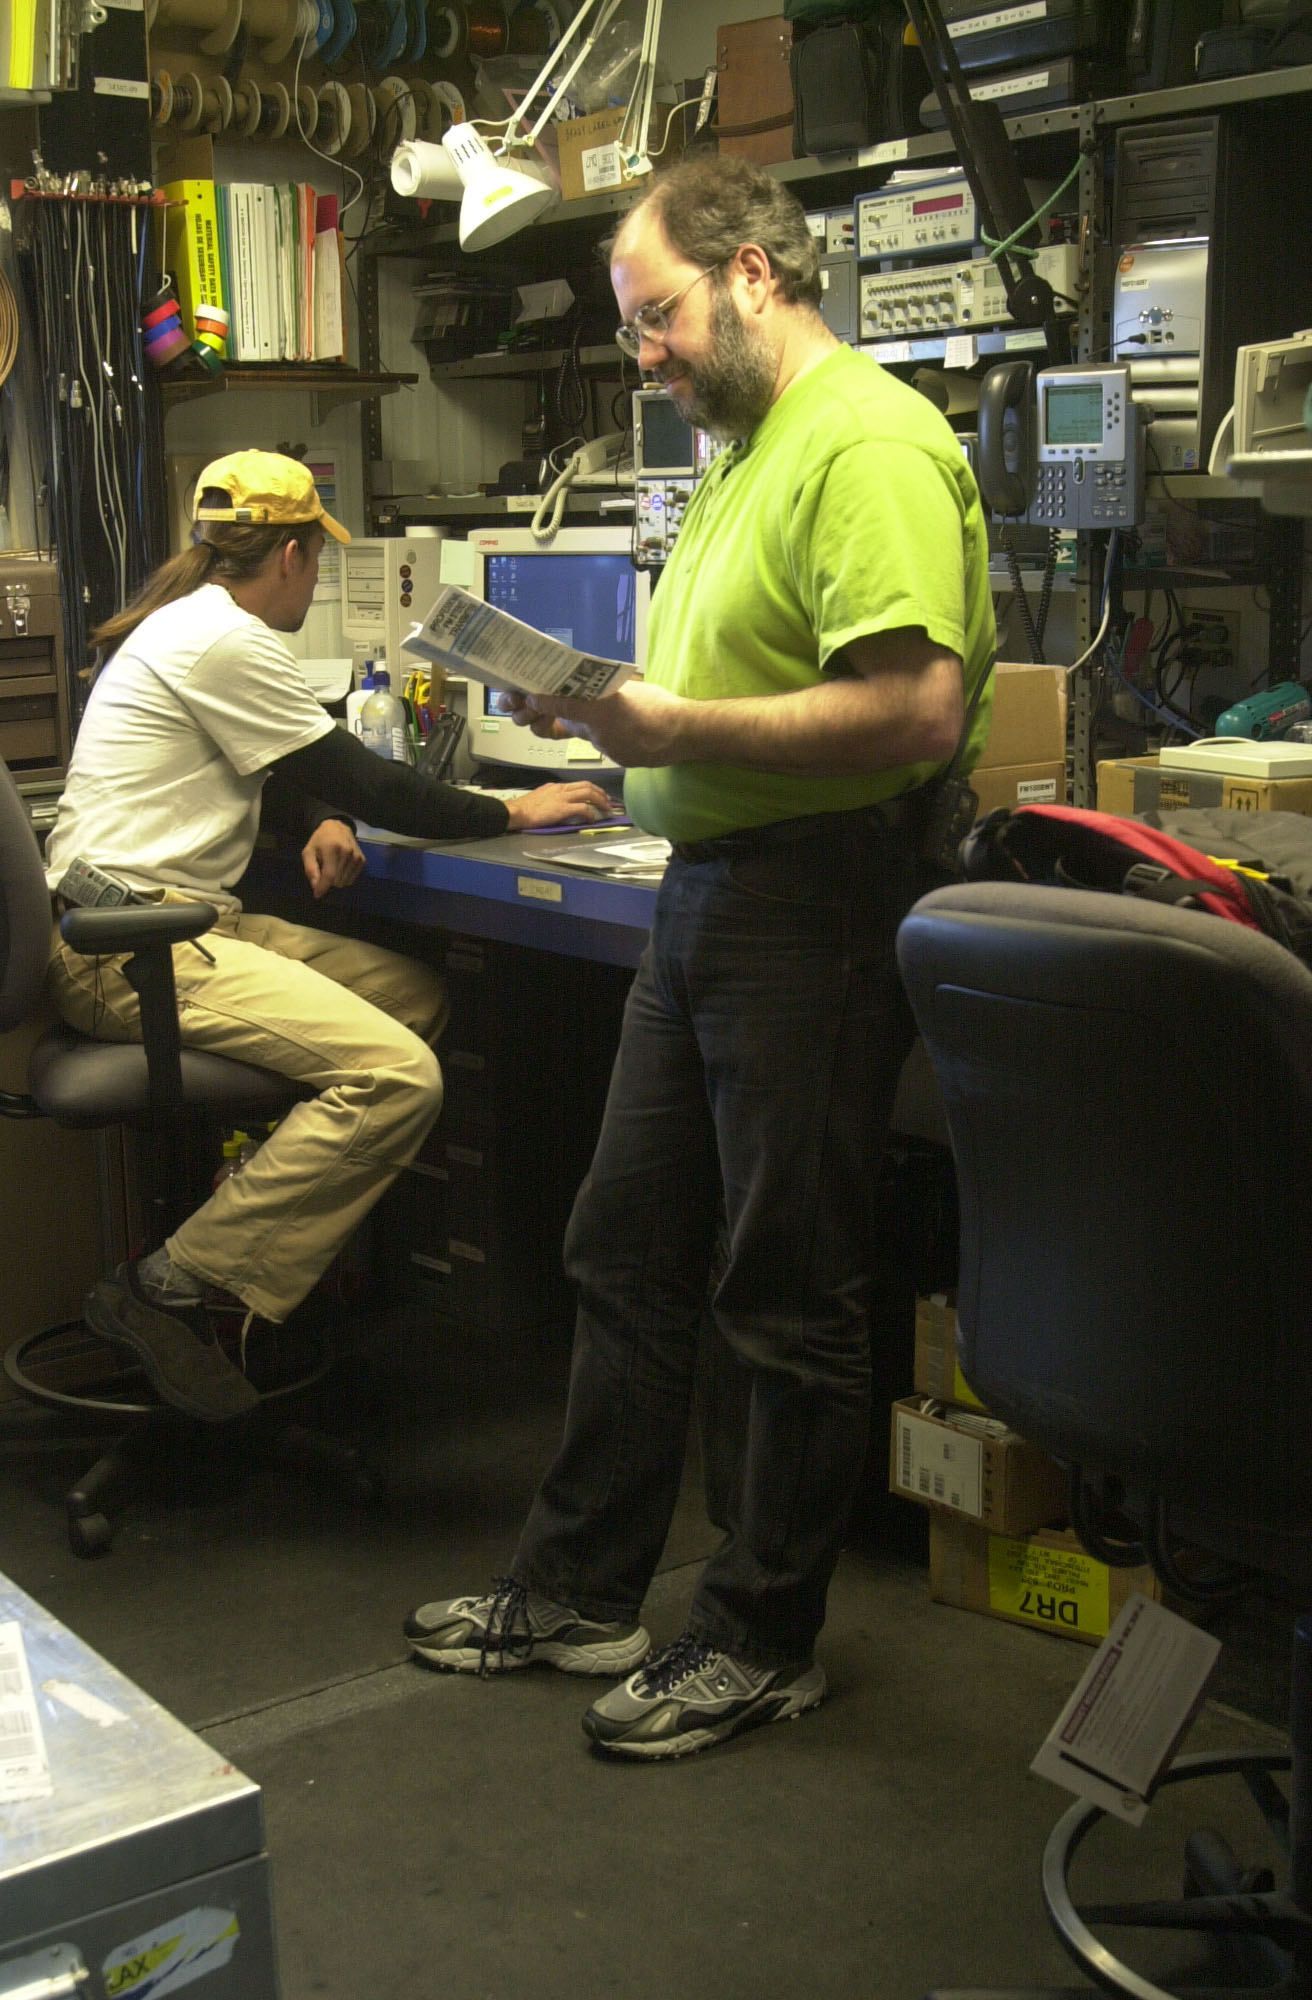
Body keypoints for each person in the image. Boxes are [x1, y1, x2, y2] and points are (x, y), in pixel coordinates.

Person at [404, 153, 996, 1760]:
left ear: (753, 273)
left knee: (785, 1283)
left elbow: (916, 710)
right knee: (627, 1243)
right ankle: (590, 1585)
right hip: (714, 887)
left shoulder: (864, 440)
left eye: (656, 315)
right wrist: (613, 725)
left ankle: (760, 1633)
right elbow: (734, 683)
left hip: (813, 897)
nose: (642, 353)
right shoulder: (746, 448)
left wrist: (673, 727)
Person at [45, 449, 611, 1424]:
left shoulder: (193, 625)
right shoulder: (228, 641)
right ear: (298, 555)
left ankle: (250, 1203)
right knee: (397, 1077)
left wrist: (314, 814)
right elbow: (378, 783)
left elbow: (291, 764)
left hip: (161, 920)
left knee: (415, 997)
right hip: (137, 943)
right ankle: (174, 1284)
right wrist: (515, 811)